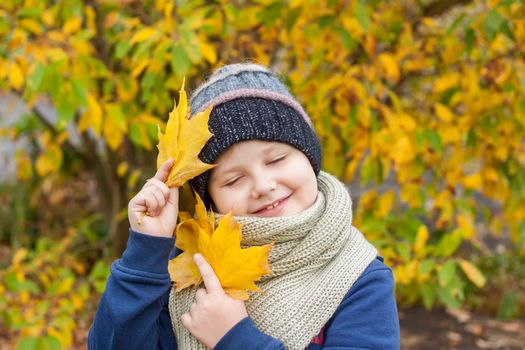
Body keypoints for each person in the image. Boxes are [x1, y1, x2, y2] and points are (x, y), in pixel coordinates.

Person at [88, 63, 400, 349]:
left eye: (276, 159)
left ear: (309, 157)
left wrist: (234, 338)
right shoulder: (186, 267)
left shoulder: (359, 278)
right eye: (234, 180)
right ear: (210, 199)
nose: (263, 186)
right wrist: (146, 252)